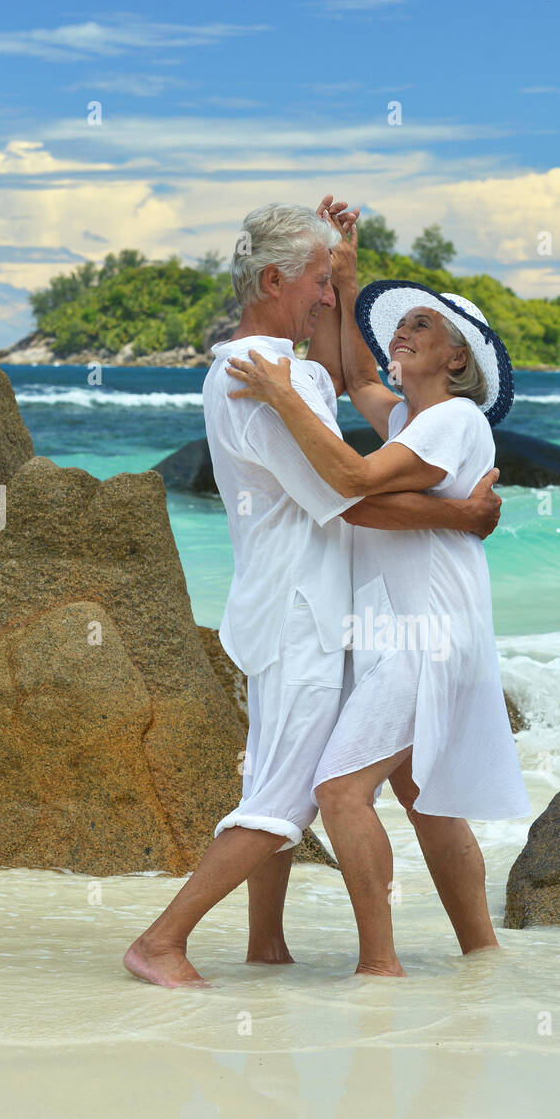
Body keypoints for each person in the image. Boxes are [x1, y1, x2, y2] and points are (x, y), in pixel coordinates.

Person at [123, 199, 503, 987]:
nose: (332, 301)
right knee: (299, 789)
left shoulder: (275, 374)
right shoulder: (264, 377)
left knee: (304, 778)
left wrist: (346, 268)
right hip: (306, 611)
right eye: (321, 285)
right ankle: (164, 943)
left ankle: (271, 946)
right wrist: (462, 512)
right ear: (273, 279)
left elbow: (340, 379)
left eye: (333, 286)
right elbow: (350, 489)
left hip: (327, 612)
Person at [225, 226, 530, 976]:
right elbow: (354, 373)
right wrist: (351, 277)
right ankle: (482, 956)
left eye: (422, 324)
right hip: (426, 636)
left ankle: (380, 966)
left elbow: (353, 488)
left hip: (428, 637)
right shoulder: (410, 420)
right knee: (425, 799)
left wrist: (276, 392)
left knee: (337, 789)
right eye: (405, 320)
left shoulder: (456, 421)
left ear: (457, 359)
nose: (404, 330)